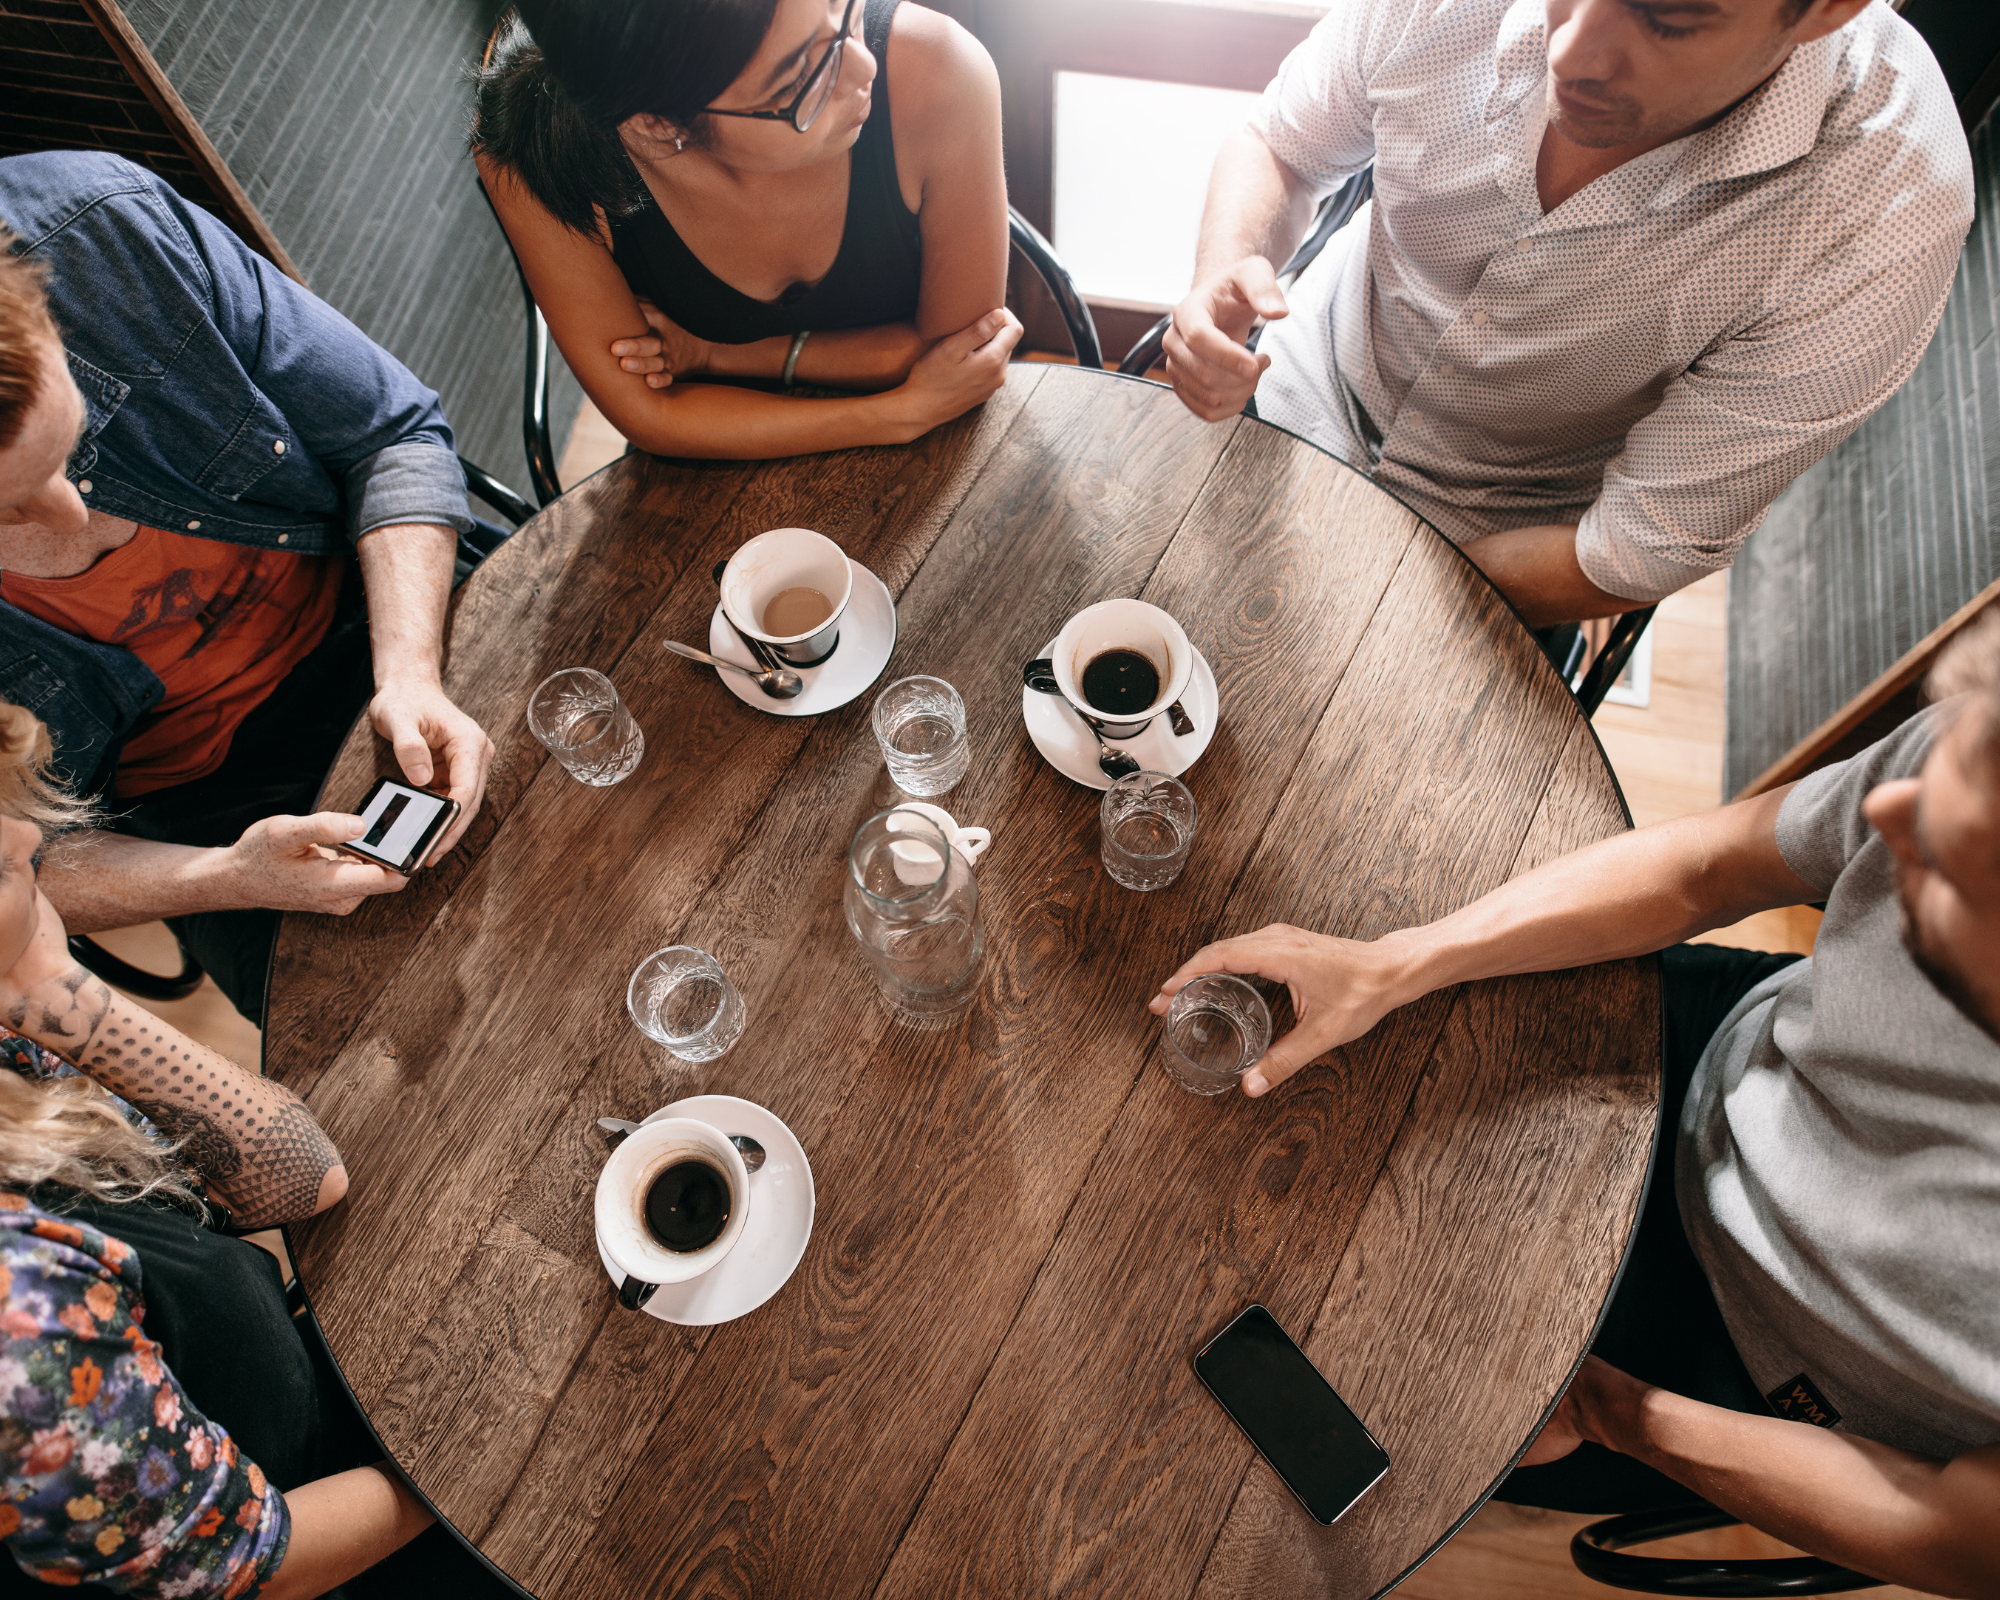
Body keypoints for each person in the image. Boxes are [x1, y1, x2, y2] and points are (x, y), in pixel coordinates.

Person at [1149, 608, 2000, 1590]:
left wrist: (1610, 1411)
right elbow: (1708, 869)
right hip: (1735, 1052)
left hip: (1753, 1367)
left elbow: (1955, 1534)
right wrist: (1399, 962)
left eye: (1947, 852)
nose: (1886, 810)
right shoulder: (1981, 753)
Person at [1166, 0, 1976, 628]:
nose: (1569, 53)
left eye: (1666, 19)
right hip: (1293, 384)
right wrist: (1220, 275)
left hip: (1498, 545)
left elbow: (1629, 550)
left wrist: (1378, 590)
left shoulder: (1887, 207)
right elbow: (1283, 146)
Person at [0, 703, 515, 1597]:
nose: (28, 839)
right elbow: (256, 1565)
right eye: (0, 859)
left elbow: (301, 1177)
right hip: (324, 1527)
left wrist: (46, 986)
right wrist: (455, 1461)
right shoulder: (21, 1333)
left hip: (297, 1393)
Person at [0, 150, 496, 1027]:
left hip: (380, 606)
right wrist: (229, 874)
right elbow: (17, 870)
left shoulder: (100, 230)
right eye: (6, 509)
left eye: (67, 446)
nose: (69, 514)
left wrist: (410, 672)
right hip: (201, 805)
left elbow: (392, 435)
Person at [473, 0, 1023, 461]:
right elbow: (650, 414)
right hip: (711, 471)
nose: (863, 69)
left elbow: (961, 356)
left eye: (841, 6)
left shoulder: (938, 68)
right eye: (800, 79)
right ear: (656, 123)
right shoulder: (532, 150)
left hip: (939, 445)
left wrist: (717, 357)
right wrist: (895, 414)